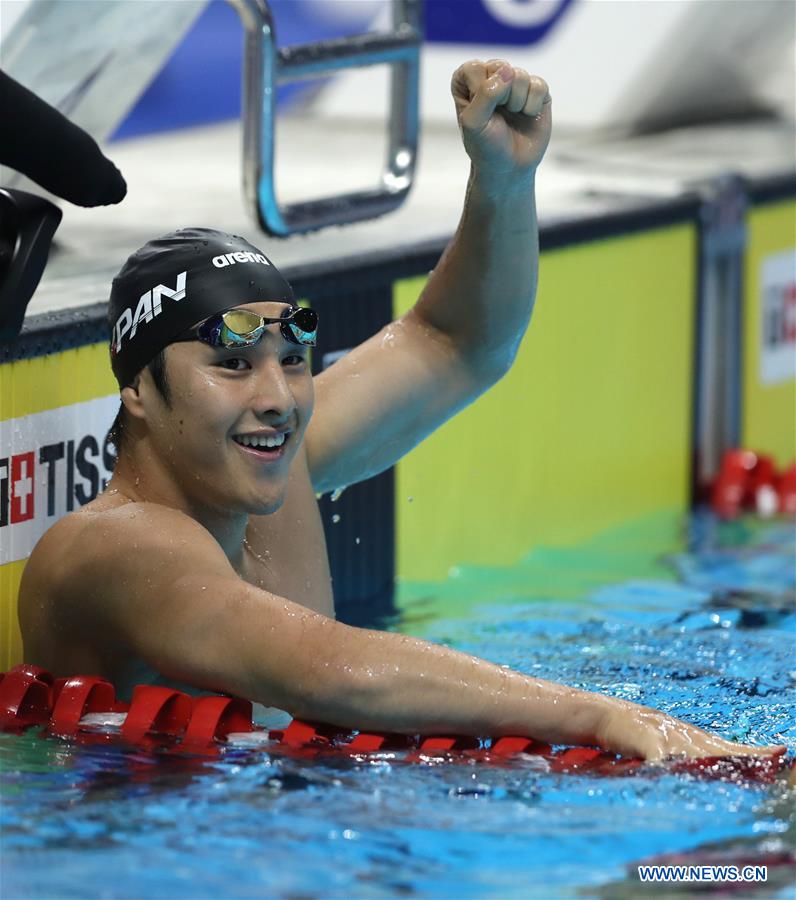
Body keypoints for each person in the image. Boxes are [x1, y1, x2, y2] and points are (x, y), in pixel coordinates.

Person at [18, 60, 782, 762]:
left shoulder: (273, 468)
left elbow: (456, 342)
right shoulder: (114, 549)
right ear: (138, 391)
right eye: (232, 364)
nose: (278, 400)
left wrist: (504, 184)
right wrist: (605, 716)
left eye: (292, 359)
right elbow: (326, 669)